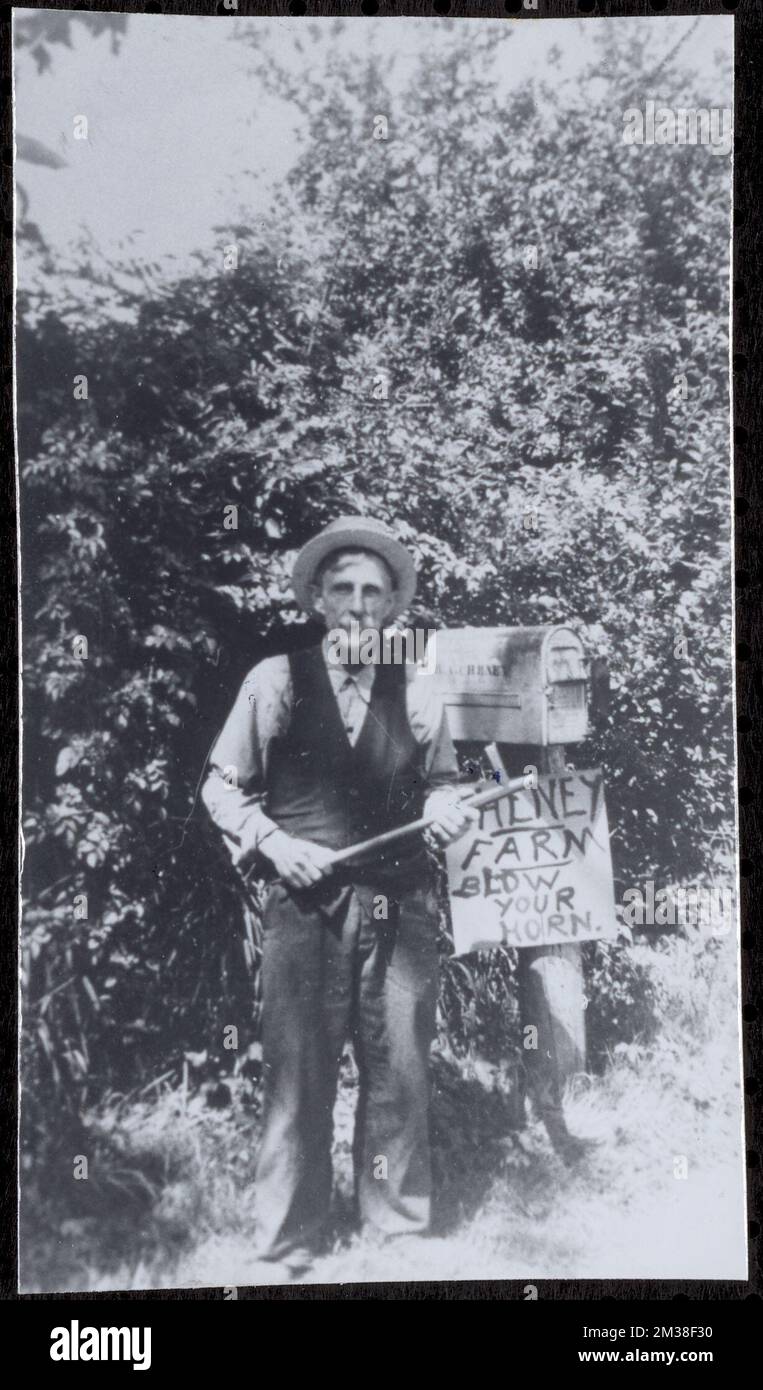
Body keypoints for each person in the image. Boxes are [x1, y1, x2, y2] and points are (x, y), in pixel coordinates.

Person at [201, 515, 476, 1280]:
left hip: (400, 906)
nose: (358, 605)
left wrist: (447, 810)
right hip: (303, 910)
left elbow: (445, 787)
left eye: (373, 593)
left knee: (400, 1071)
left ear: (392, 608)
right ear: (319, 599)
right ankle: (288, 1241)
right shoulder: (276, 681)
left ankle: (396, 1232)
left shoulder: (418, 688)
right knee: (299, 1072)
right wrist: (275, 844)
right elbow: (221, 790)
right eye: (343, 589)